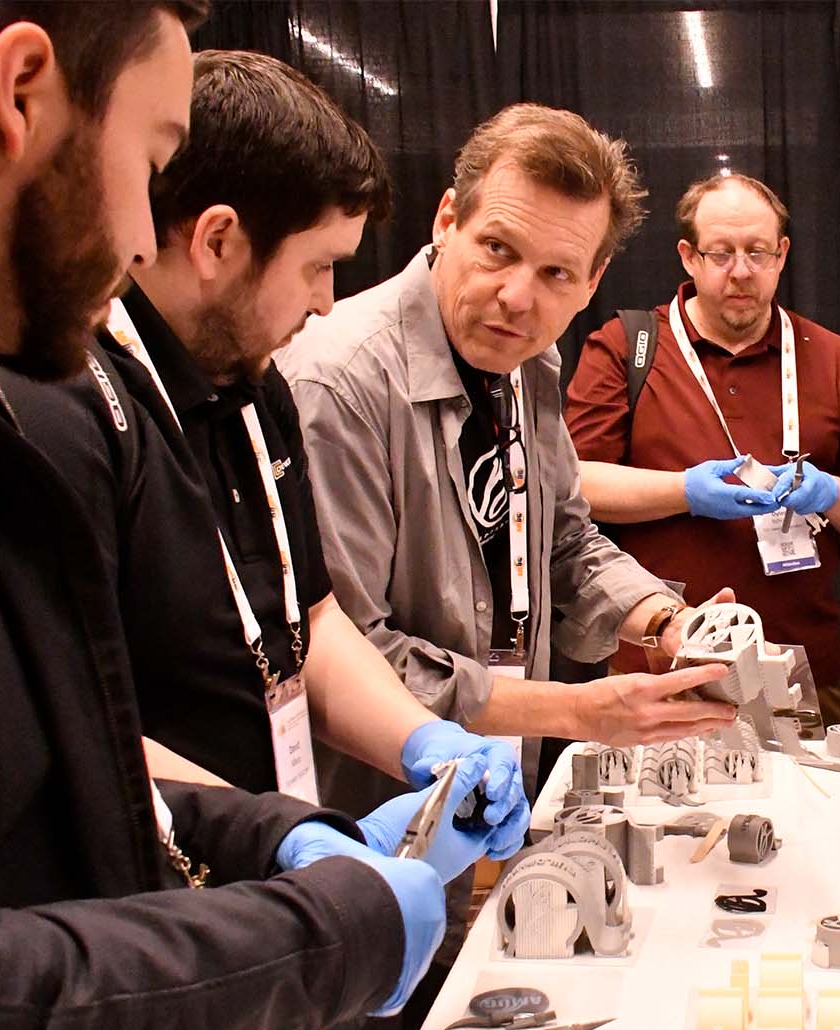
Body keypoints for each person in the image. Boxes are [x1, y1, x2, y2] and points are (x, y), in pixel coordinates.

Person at [0, 5, 490, 1030]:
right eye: (150, 161)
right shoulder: (18, 407)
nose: (145, 238)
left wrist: (267, 835)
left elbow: (51, 775)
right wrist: (322, 935)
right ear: (18, 90)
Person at [277, 103, 740, 812]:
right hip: (379, 803)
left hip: (498, 781)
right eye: (497, 248)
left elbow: (564, 541)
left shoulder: (529, 361)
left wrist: (664, 621)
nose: (518, 298)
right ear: (446, 221)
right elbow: (346, 652)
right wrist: (576, 711)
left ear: (593, 281)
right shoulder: (339, 382)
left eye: (557, 273)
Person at [565, 173, 840, 730]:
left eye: (758, 252)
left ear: (782, 255)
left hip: (798, 670)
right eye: (720, 253)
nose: (741, 271)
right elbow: (574, 485)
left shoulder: (834, 359)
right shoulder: (627, 348)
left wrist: (830, 492)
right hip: (660, 668)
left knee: (811, 790)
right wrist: (684, 492)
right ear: (688, 257)